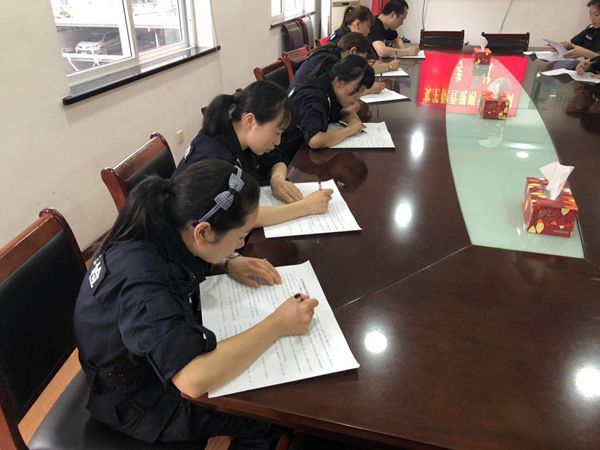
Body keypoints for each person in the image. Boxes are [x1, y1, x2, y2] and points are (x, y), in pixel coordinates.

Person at [74, 160, 319, 448]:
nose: (241, 245)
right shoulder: (144, 285)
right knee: (271, 417)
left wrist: (229, 260)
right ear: (203, 232)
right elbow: (193, 379)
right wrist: (278, 324)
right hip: (140, 399)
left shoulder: (167, 219)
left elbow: (191, 264)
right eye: (240, 237)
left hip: (142, 358)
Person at [174, 81, 333, 227]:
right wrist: (305, 207)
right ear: (250, 121)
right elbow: (240, 217)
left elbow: (275, 159)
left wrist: (277, 179)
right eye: (276, 133)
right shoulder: (214, 159)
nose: (278, 141)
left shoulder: (244, 138)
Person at [278, 54, 375, 163]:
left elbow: (340, 111)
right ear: (339, 82)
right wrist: (351, 129)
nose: (358, 97)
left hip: (303, 153)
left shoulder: (329, 87)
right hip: (288, 158)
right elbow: (315, 140)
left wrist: (348, 114)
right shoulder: (312, 96)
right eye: (358, 90)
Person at [290, 32, 401, 93]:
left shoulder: (333, 52)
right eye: (361, 60)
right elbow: (340, 93)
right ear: (353, 51)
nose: (361, 65)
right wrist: (368, 90)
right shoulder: (331, 62)